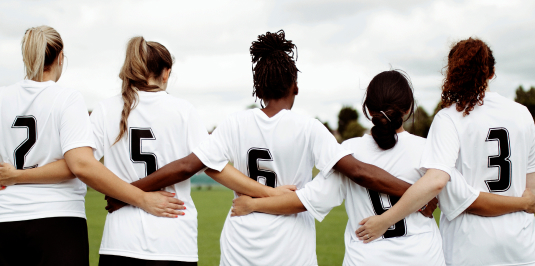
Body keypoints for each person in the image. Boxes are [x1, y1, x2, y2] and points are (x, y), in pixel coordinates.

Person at [104, 30, 437, 266]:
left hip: (241, 246)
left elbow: (187, 166)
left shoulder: (235, 123)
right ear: (295, 86)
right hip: (291, 249)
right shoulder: (308, 127)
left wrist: (126, 193)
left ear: (258, 88)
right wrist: (416, 194)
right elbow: (361, 172)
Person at [230, 70, 535, 265]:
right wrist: (522, 202)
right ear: (410, 109)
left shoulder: (347, 152)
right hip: (423, 259)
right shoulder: (430, 151)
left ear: (367, 110)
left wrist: (255, 204)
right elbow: (469, 199)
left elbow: (304, 201)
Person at [0, 26, 181, 266]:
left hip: (5, 218)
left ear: (26, 56)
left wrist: (13, 176)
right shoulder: (67, 98)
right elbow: (80, 165)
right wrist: (140, 198)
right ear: (61, 56)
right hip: (57, 220)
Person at [356, 38, 535, 266]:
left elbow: (446, 188)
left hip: (469, 249)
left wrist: (385, 221)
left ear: (452, 72)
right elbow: (530, 193)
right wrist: (521, 204)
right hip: (522, 247)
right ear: (491, 73)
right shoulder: (522, 115)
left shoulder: (449, 118)